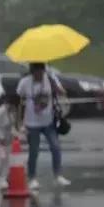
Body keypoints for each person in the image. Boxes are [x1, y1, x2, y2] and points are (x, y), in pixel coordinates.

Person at [17, 62, 71, 190]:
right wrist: (19, 122)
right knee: (34, 151)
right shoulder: (25, 82)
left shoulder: (50, 79)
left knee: (55, 147)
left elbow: (62, 92)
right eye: (37, 72)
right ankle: (32, 178)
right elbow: (19, 100)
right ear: (32, 71)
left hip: (48, 121)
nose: (39, 75)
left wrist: (54, 82)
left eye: (42, 72)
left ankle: (58, 175)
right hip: (32, 123)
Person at [0, 92, 22, 190]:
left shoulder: (11, 112)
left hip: (7, 140)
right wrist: (1, 138)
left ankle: (4, 178)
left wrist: (17, 135)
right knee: (2, 159)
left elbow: (11, 127)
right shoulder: (1, 111)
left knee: (6, 160)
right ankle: (1, 179)